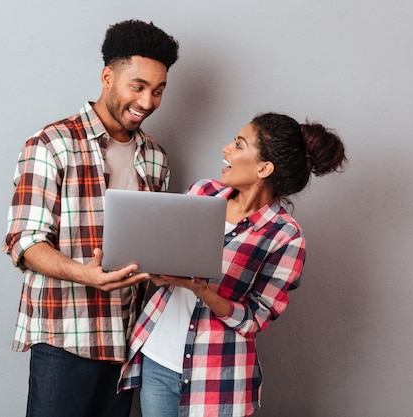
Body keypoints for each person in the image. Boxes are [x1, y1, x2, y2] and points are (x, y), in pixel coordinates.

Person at [2, 19, 179, 417]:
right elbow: (24, 241)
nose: (148, 101)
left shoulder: (156, 156)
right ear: (107, 77)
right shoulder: (51, 144)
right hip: (66, 336)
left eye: (159, 90)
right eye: (138, 86)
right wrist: (86, 274)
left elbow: (152, 244)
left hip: (126, 340)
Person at [119, 112, 347, 417]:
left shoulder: (285, 235)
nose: (226, 148)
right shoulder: (202, 193)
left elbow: (255, 318)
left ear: (264, 167)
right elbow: (165, 261)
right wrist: (157, 271)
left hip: (216, 377)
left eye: (239, 145)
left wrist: (204, 290)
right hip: (158, 358)